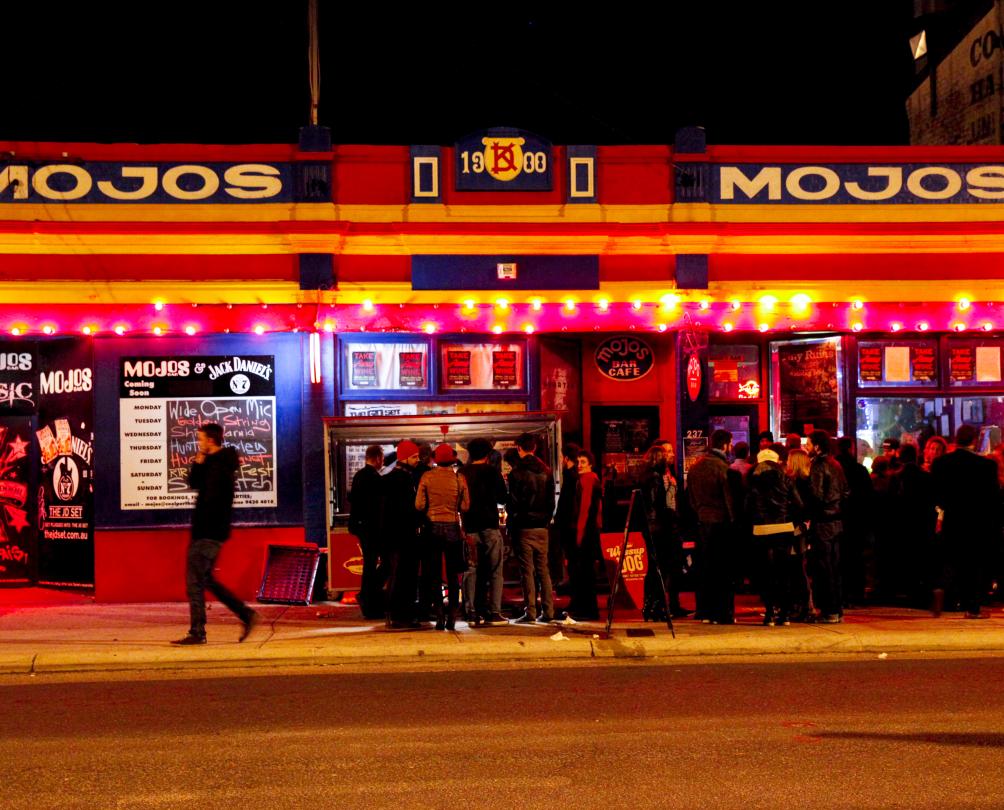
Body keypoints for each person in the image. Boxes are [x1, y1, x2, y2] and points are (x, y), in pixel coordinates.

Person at [173, 423, 257, 645]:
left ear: (211, 440)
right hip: (210, 531)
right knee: (207, 580)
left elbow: (211, 500)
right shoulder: (212, 463)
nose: (198, 443)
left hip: (208, 531)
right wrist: (200, 458)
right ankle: (244, 613)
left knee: (195, 582)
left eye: (201, 439)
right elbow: (193, 483)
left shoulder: (220, 468)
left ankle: (197, 631)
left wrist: (204, 528)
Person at [931, 425, 1001, 619]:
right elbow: (993, 498)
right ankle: (973, 607)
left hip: (952, 519)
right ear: (975, 440)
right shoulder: (986, 466)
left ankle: (941, 589)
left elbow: (935, 495)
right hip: (977, 522)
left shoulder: (941, 464)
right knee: (973, 564)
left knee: (950, 559)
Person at [415, 443, 470, 630]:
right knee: (454, 574)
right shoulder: (459, 478)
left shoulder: (427, 476)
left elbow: (419, 505)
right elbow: (465, 506)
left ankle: (439, 616)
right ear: (452, 460)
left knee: (434, 574)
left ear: (435, 459)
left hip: (433, 528)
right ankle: (452, 617)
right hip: (453, 527)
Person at [747, 447, 803, 626]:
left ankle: (769, 611)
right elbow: (798, 504)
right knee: (783, 570)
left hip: (761, 530)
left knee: (765, 571)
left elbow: (747, 506)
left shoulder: (753, 480)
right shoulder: (786, 479)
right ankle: (784, 614)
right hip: (784, 528)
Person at [458, 438, 509, 627]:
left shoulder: (462, 472)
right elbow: (503, 498)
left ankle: (471, 610)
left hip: (470, 526)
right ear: (488, 454)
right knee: (495, 570)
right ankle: (494, 611)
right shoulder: (493, 472)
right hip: (490, 524)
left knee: (471, 570)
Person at [687, 429, 735, 624]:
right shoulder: (723, 468)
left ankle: (705, 610)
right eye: (729, 444)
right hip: (720, 523)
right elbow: (729, 500)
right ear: (724, 445)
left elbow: (690, 498)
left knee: (705, 567)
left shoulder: (695, 467)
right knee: (722, 569)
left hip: (701, 521)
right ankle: (722, 612)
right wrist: (733, 521)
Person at [507, 432, 556, 623]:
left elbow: (513, 503)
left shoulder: (516, 473)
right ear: (534, 448)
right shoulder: (547, 471)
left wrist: (516, 517)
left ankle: (531, 611)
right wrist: (545, 519)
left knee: (527, 571)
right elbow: (551, 502)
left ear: (519, 448)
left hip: (523, 527)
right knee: (543, 569)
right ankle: (549, 611)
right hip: (542, 527)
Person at [639, 443, 689, 620]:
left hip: (659, 525)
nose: (671, 455)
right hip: (660, 527)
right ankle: (656, 606)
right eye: (666, 452)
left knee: (662, 567)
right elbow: (658, 503)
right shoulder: (655, 476)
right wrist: (668, 519)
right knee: (659, 567)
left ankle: (659, 605)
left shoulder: (661, 474)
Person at [804, 430, 849, 624]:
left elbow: (815, 495)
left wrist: (810, 514)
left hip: (822, 522)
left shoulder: (818, 466)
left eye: (809, 443)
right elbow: (846, 491)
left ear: (817, 446)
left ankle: (828, 610)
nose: (806, 447)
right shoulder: (836, 464)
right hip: (836, 522)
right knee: (834, 567)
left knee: (823, 569)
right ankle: (836, 609)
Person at [888, 443, 936, 607]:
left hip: (901, 523)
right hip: (921, 523)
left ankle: (906, 591)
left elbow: (891, 502)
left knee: (904, 557)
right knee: (920, 558)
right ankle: (919, 592)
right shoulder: (925, 476)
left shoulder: (895, 477)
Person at [382, 441, 422, 628]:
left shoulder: (390, 478)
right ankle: (401, 615)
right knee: (404, 575)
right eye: (414, 457)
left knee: (397, 574)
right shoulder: (405, 479)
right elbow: (408, 508)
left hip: (392, 534)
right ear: (404, 457)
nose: (417, 460)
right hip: (403, 534)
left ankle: (394, 613)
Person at [349, 444, 389, 620]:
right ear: (378, 458)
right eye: (382, 458)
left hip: (362, 527)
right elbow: (378, 507)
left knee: (370, 563)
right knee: (384, 562)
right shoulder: (373, 478)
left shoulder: (359, 476)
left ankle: (368, 594)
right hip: (372, 528)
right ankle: (368, 594)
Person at [835, 436, 873, 608]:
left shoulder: (833, 468)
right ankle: (856, 594)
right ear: (851, 448)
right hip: (856, 519)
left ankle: (840, 594)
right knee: (855, 558)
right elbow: (867, 496)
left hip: (836, 518)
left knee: (838, 558)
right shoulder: (859, 470)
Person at [566, 450, 602, 621]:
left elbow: (585, 509)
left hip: (586, 533)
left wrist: (579, 535)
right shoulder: (592, 479)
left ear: (590, 465)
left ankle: (587, 610)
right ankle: (588, 609)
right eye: (578, 461)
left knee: (584, 573)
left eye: (583, 462)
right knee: (587, 573)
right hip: (590, 531)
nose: (579, 465)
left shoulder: (587, 480)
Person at [554, 443, 582, 590]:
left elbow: (567, 504)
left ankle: (574, 588)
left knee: (572, 558)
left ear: (565, 458)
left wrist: (559, 521)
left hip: (569, 525)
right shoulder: (575, 475)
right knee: (573, 559)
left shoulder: (571, 477)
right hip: (571, 524)